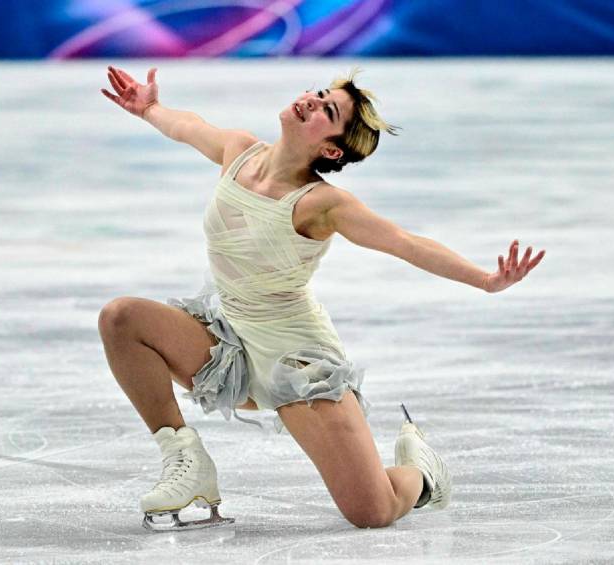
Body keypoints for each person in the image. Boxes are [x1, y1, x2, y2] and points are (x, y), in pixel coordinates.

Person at [98, 65, 546, 531]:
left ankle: (422, 472)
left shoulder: (322, 204)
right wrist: (149, 108)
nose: (311, 100)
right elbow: (188, 126)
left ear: (331, 148)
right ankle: (186, 462)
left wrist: (484, 279)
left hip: (296, 362)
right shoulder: (238, 151)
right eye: (317, 93)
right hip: (227, 344)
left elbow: (405, 242)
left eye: (326, 109)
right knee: (122, 319)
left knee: (373, 512)